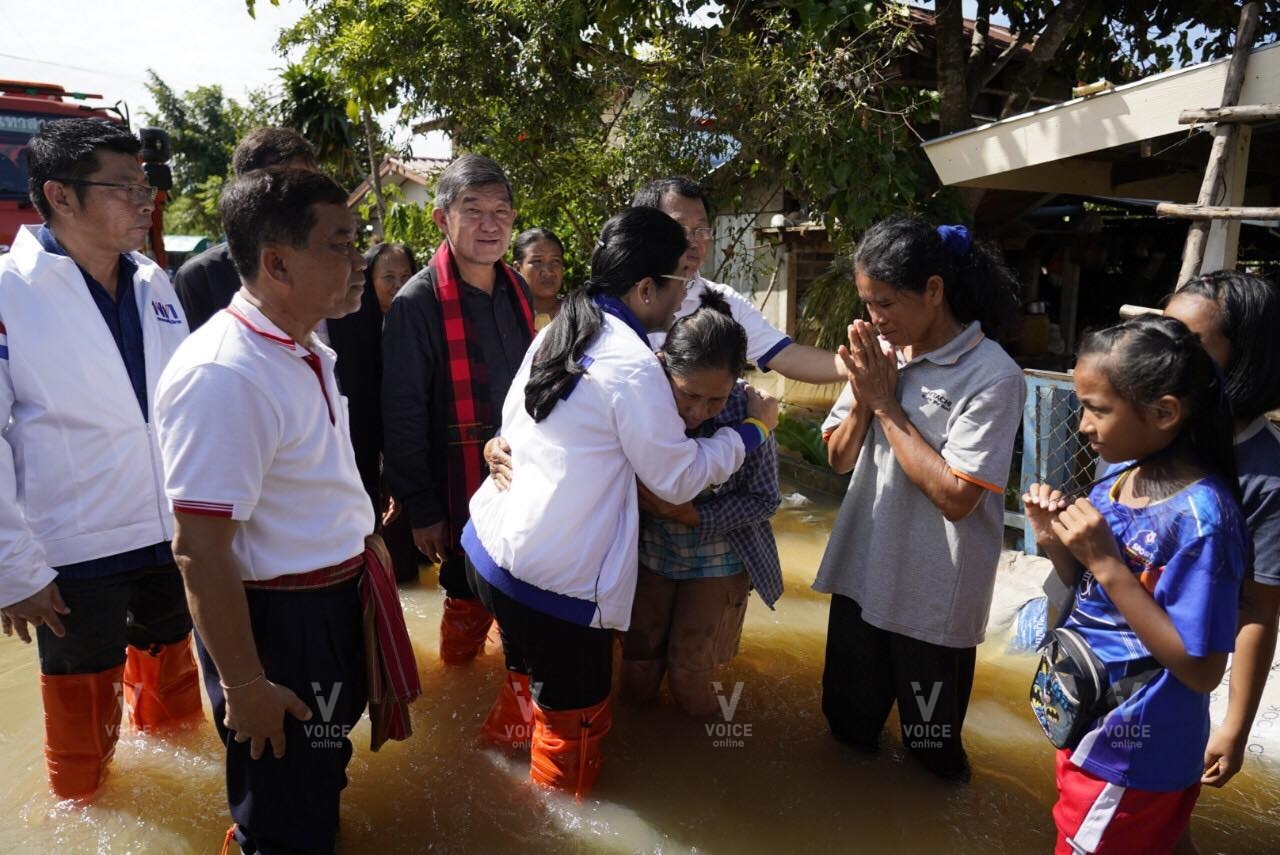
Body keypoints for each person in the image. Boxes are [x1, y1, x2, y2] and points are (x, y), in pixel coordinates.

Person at [465, 207, 779, 797]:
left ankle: (495, 784)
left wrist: (493, 450)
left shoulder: (564, 328)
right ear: (645, 288)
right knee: (573, 729)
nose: (686, 296)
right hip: (553, 583)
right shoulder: (633, 366)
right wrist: (754, 430)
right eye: (680, 283)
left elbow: (515, 422)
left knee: (526, 690)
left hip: (493, 551)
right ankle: (556, 824)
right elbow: (679, 480)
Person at [155, 167, 419, 854]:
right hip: (279, 626)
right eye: (338, 244)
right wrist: (244, 683)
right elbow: (199, 551)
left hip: (329, 603)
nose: (358, 262)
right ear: (276, 262)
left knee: (316, 773)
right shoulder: (225, 372)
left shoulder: (304, 346)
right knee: (281, 810)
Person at [0, 118, 200, 799]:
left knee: (177, 718)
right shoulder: (8, 292)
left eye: (146, 184)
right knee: (82, 758)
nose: (144, 200)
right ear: (60, 195)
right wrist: (12, 567)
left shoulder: (153, 281)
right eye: (124, 187)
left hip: (172, 539)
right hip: (73, 554)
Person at [1024, 314, 1247, 855]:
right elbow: (1089, 593)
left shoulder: (1201, 520)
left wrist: (1107, 564)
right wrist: (1054, 539)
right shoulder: (1123, 478)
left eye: (1097, 408)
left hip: (1133, 749)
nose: (1082, 425)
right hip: (1094, 722)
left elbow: (1201, 669)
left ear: (1164, 412)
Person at [816, 216, 1023, 782]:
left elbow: (957, 498)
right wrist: (864, 396)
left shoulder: (993, 375)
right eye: (868, 303)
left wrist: (885, 404)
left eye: (886, 303)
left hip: (933, 601)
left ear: (934, 291)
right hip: (862, 578)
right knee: (847, 731)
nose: (875, 318)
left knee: (933, 753)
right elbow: (837, 459)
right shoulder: (881, 353)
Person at [382, 154, 535, 664]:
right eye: (473, 210)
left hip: (520, 475)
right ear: (441, 218)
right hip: (454, 484)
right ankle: (459, 681)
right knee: (465, 592)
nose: (490, 224)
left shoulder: (519, 290)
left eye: (501, 211)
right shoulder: (416, 302)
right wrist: (422, 509)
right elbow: (403, 413)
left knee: (523, 591)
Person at [621, 291, 783, 717]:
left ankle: (713, 766)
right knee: (637, 668)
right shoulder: (640, 396)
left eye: (715, 399)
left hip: (718, 557)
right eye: (688, 395)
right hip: (650, 552)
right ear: (663, 367)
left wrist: (694, 514)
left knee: (690, 674)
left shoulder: (749, 411)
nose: (698, 411)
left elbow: (765, 500)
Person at [1163, 271, 1280, 842]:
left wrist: (1234, 726)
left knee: (1158, 818)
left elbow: (1258, 607)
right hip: (1115, 672)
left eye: (1188, 342)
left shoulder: (1265, 475)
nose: (1166, 353)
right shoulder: (1153, 435)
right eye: (1161, 333)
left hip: (1182, 685)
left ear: (1244, 358)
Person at [632, 177, 846, 383]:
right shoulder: (614, 300)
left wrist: (856, 366)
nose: (693, 241)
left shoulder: (719, 302)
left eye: (701, 230)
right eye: (679, 229)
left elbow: (786, 355)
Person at [172, 128, 317, 331]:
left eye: (310, 184)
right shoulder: (201, 279)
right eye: (284, 184)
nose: (301, 198)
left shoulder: (339, 267)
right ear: (246, 189)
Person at [335, 242, 420, 581]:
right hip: (363, 453)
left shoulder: (420, 323)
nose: (399, 285)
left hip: (409, 451)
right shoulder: (349, 327)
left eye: (406, 275)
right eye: (388, 277)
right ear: (369, 281)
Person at [512, 227, 565, 330]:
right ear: (517, 268)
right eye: (537, 261)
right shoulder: (505, 317)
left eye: (555, 261)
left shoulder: (581, 315)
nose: (548, 271)